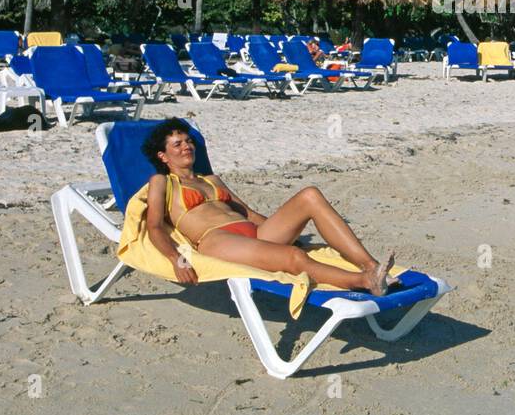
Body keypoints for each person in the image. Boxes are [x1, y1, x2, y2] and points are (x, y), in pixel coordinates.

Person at [142, 118, 393, 294]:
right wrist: (177, 260)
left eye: (188, 141)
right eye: (177, 144)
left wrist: (285, 232)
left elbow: (247, 213)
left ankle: (371, 265)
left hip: (253, 234)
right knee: (294, 257)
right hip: (219, 240)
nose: (187, 146)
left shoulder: (212, 179)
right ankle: (363, 281)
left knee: (310, 195)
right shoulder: (162, 182)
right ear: (163, 156)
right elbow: (154, 227)